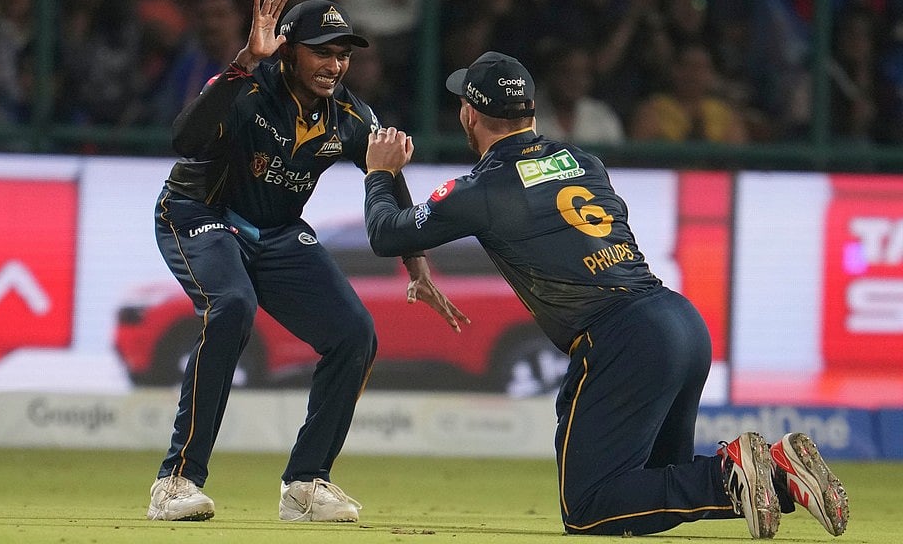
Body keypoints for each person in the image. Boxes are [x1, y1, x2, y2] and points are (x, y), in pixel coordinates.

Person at [362, 50, 849, 538]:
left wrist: (380, 173)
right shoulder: (583, 161)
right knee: (655, 489)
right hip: (678, 321)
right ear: (530, 112)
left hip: (622, 338)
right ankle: (782, 474)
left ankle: (732, 472)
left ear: (469, 113)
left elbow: (386, 235)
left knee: (590, 507)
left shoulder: (480, 190)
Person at [146, 0, 467, 523]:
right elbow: (186, 138)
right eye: (323, 51)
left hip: (275, 231)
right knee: (231, 307)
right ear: (289, 49)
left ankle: (306, 485)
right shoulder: (248, 86)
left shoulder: (347, 114)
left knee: (354, 334)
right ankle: (176, 480)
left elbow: (387, 173)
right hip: (199, 213)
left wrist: (416, 266)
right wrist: (246, 59)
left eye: (343, 55)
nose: (335, 65)